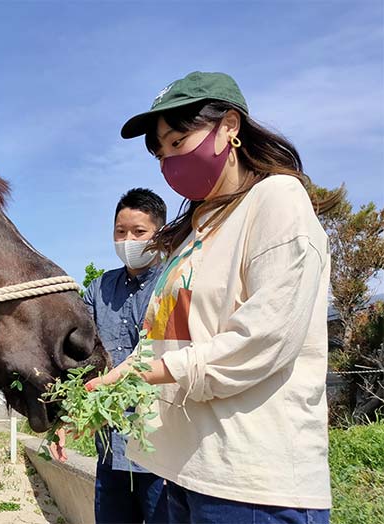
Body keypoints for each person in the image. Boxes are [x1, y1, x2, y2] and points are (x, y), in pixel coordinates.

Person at [85, 71, 338, 523]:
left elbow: (263, 339)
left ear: (230, 127)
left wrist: (157, 372)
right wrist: (117, 378)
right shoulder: (194, 232)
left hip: (250, 482)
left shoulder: (276, 200)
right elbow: (162, 339)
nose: (168, 160)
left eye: (178, 141)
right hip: (185, 471)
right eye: (160, 151)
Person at [50, 188, 169, 524]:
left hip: (161, 452)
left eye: (139, 232)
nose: (128, 240)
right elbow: (76, 356)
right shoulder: (99, 289)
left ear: (159, 233)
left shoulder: (172, 283)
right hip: (109, 449)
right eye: (120, 232)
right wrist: (65, 416)